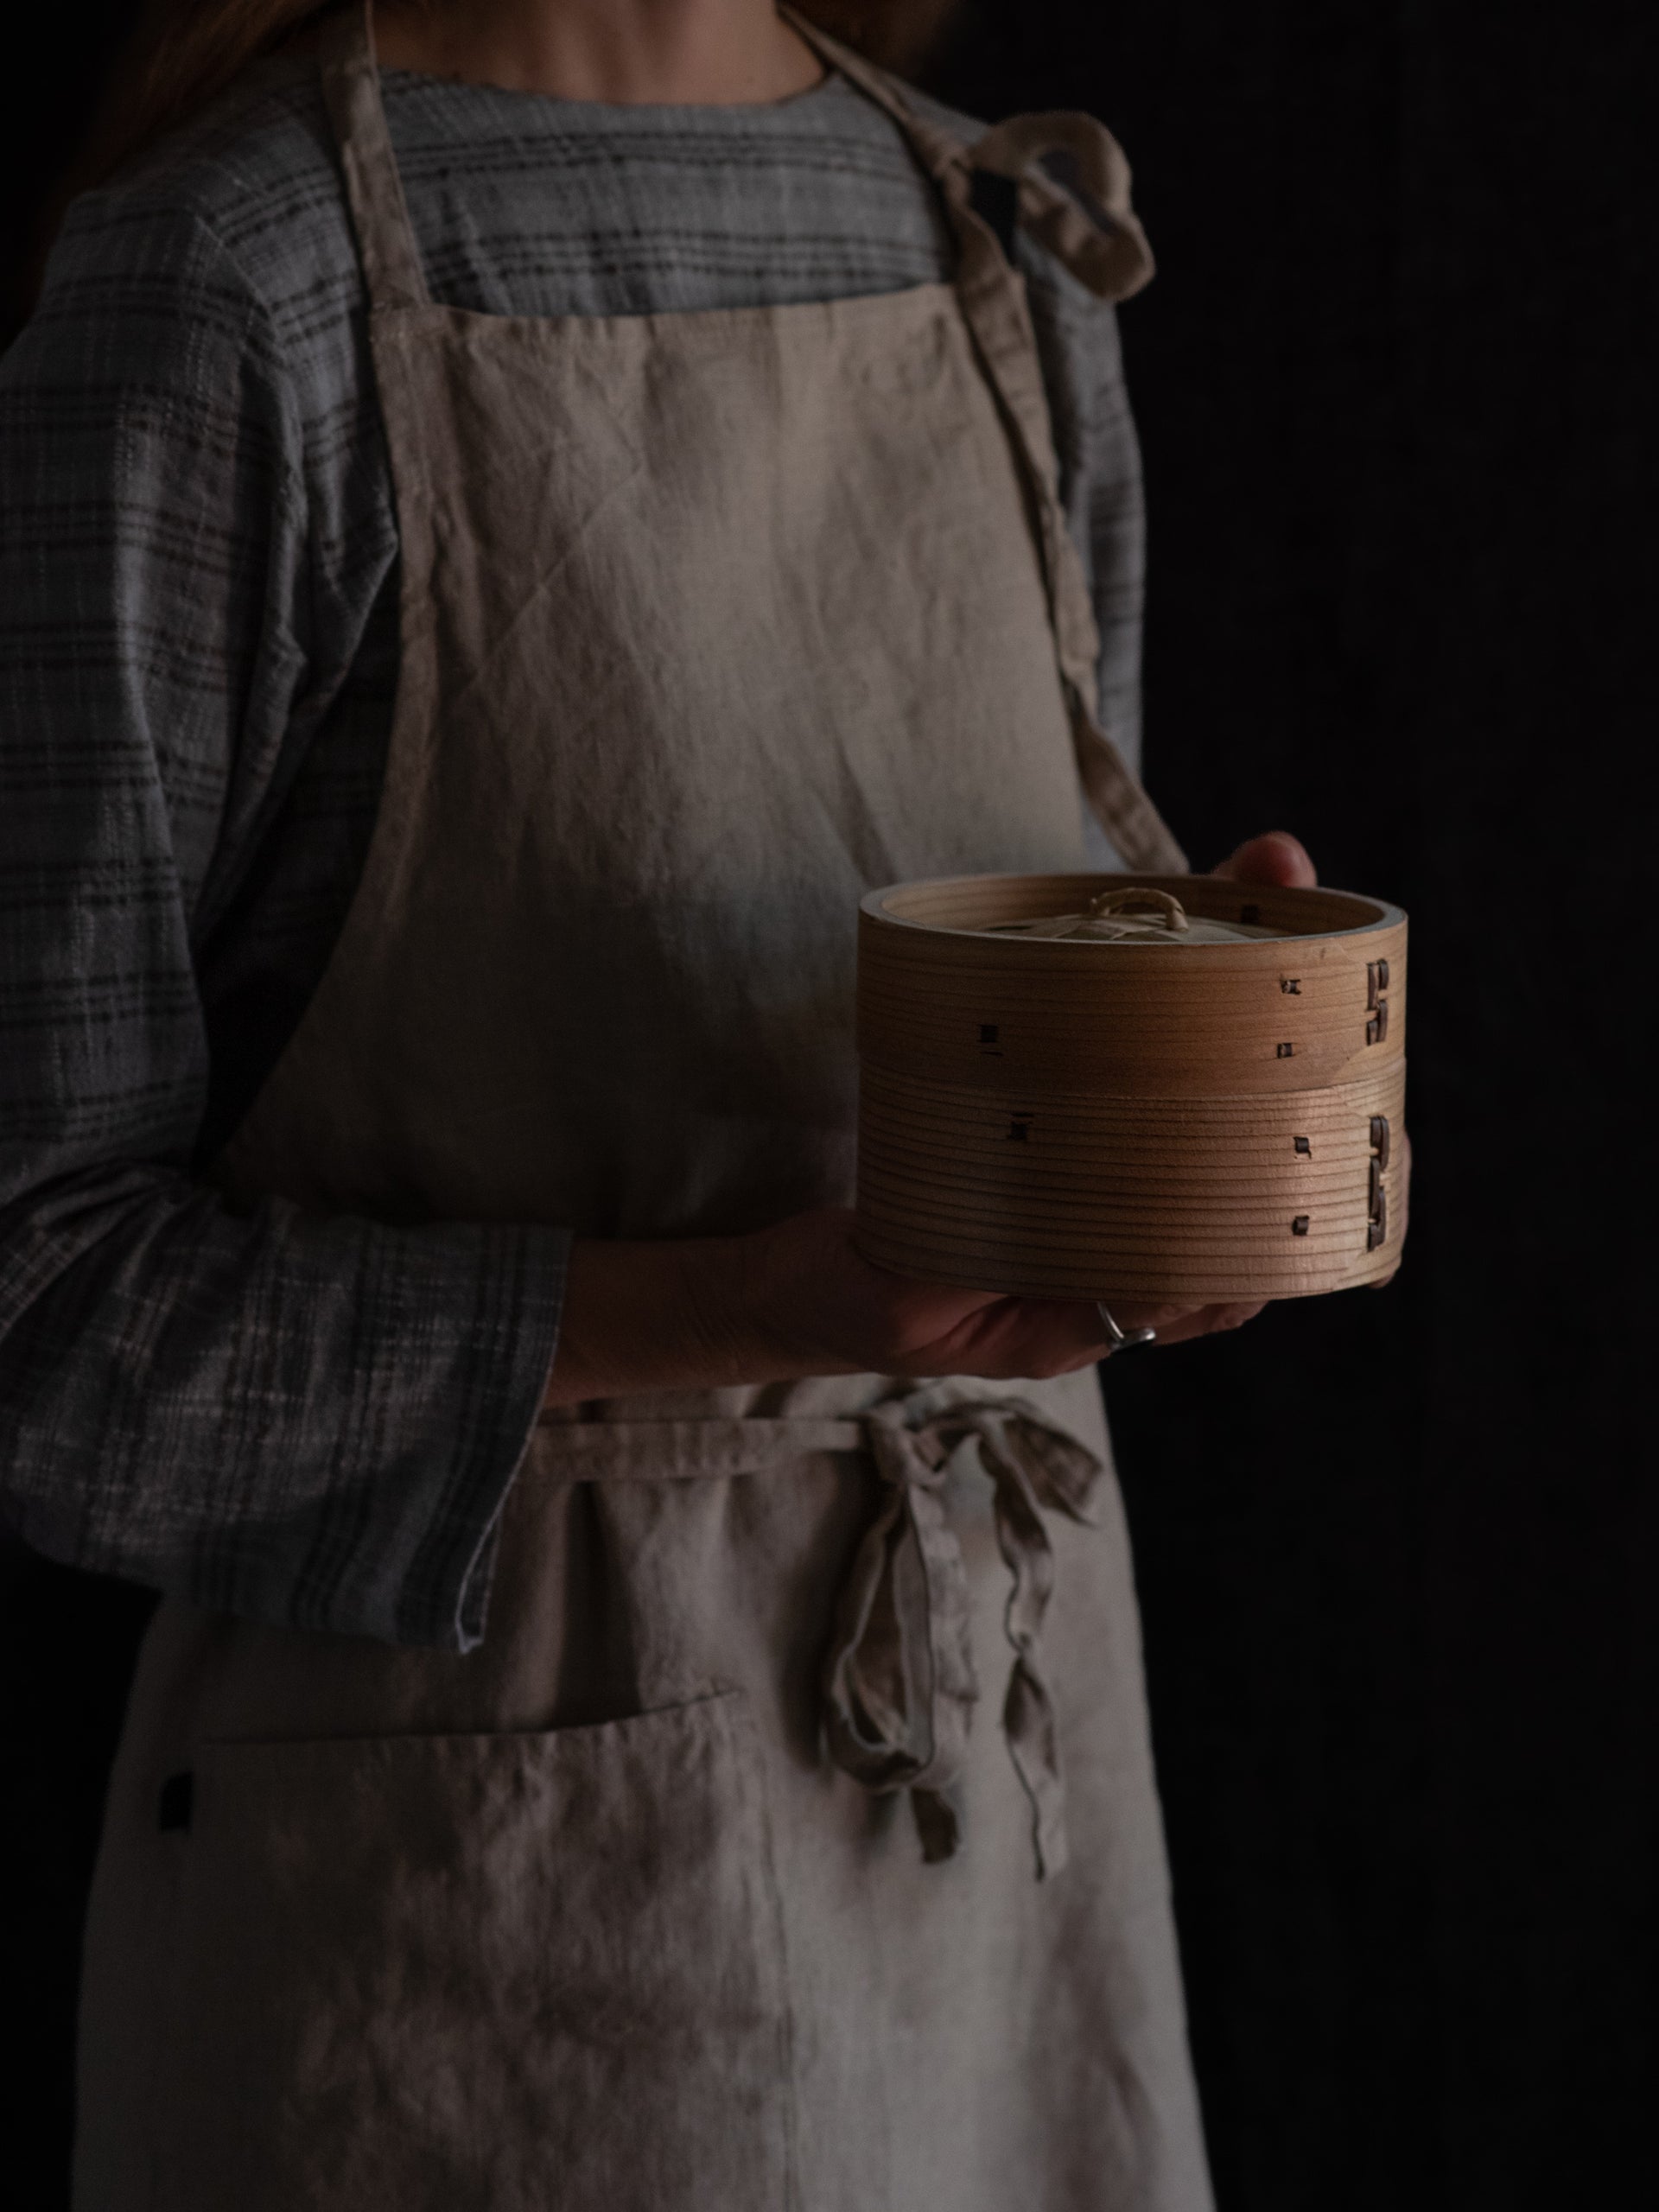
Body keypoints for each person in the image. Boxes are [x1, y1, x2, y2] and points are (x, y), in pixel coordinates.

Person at [0, 2, 1319, 2204]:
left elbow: (1032, 1062)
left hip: (1015, 1824)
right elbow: (37, 1316)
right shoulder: (232, 285)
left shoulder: (995, 235)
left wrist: (1179, 1123)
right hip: (488, 1906)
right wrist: (741, 1301)